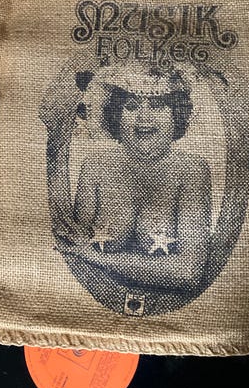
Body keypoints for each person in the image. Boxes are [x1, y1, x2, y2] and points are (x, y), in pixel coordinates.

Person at [60, 65, 212, 293]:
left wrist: (98, 258)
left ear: (176, 115)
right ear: (116, 115)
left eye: (157, 106)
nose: (144, 117)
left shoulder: (192, 170)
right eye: (131, 106)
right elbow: (76, 256)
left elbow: (189, 272)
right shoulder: (94, 168)